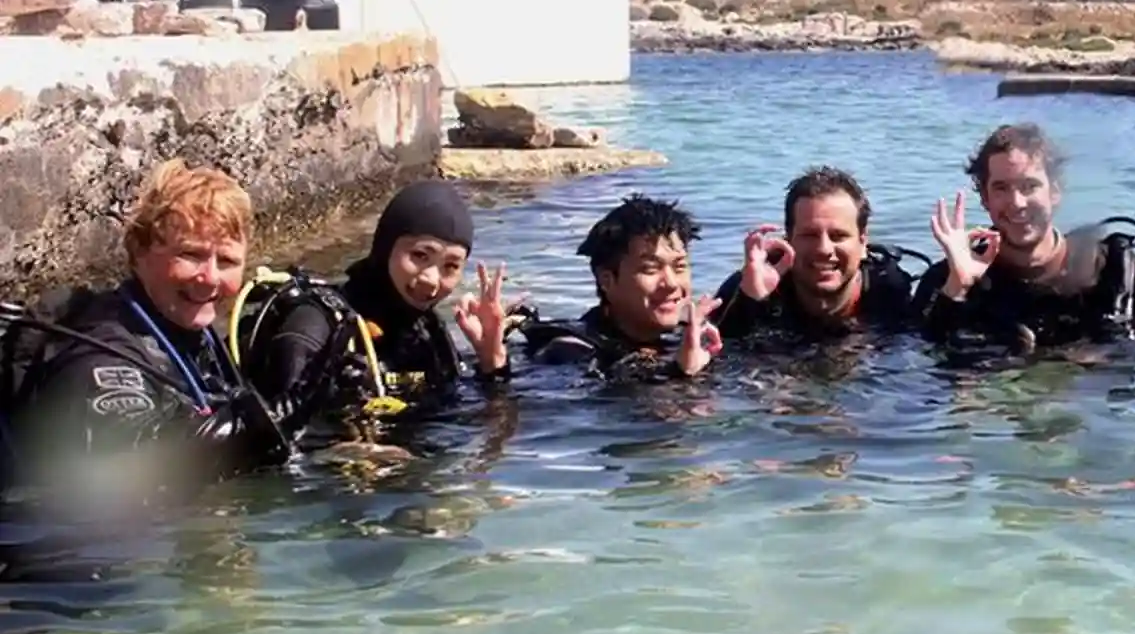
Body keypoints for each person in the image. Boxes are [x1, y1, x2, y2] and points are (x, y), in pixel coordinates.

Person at [1, 160, 286, 504]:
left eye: (226, 261)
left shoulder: (191, 333)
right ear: (139, 251)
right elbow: (136, 457)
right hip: (81, 549)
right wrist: (265, 423)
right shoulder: (98, 354)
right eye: (190, 254)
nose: (210, 278)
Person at [241, 180, 513, 429]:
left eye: (450, 266)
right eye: (419, 255)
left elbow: (473, 419)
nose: (432, 280)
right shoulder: (317, 324)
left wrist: (492, 362)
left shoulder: (428, 333)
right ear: (384, 248)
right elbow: (274, 436)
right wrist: (342, 450)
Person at [912, 123, 1135, 351]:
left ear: (1055, 191)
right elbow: (920, 372)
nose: (1017, 203)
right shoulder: (946, 281)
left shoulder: (1128, 278)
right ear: (985, 199)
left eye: (1029, 186)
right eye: (1001, 188)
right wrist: (958, 287)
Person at [519, 194, 721, 378]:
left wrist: (750, 293)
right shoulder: (570, 350)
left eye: (679, 267)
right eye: (650, 269)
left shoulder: (690, 335)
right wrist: (682, 374)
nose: (671, 283)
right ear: (607, 281)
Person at [712, 166, 925, 341]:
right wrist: (750, 301)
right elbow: (716, 358)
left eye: (838, 235)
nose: (824, 249)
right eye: (809, 235)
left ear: (862, 242)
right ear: (788, 239)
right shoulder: (752, 285)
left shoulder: (887, 290)